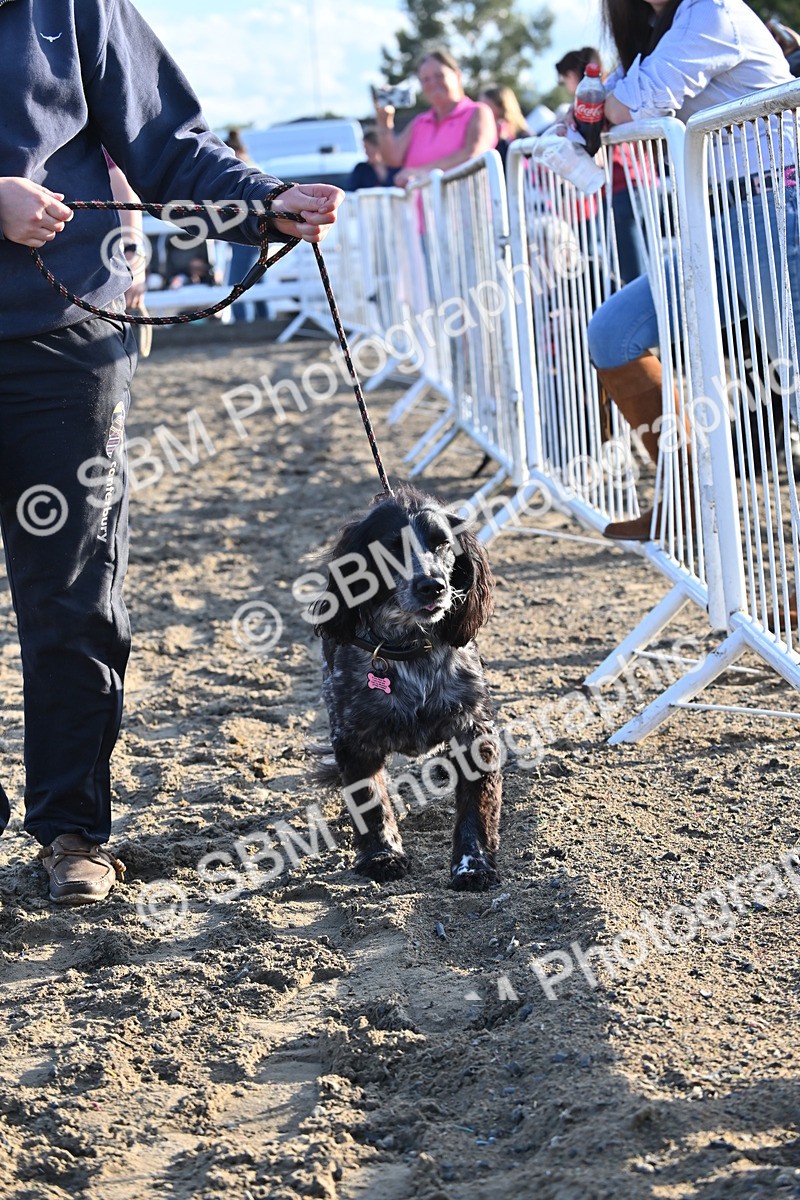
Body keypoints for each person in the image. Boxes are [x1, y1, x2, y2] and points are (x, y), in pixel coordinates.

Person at [0, 0, 342, 905]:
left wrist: (263, 204)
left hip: (64, 335)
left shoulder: (73, 8)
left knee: (72, 592)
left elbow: (168, 144)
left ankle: (72, 829)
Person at [586, 0, 797, 540]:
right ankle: (684, 497)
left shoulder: (714, 10)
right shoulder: (663, 29)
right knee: (613, 334)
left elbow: (628, 109)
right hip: (716, 220)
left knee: (794, 379)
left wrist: (600, 104)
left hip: (775, 205)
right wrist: (599, 103)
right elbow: (603, 104)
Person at [558, 47, 648, 285]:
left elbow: (594, 151)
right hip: (639, 183)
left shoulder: (596, 98)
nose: (564, 85)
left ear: (571, 75)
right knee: (646, 265)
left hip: (622, 186)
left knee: (634, 276)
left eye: (563, 79)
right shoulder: (613, 91)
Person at [374, 49, 497, 188]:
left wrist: (423, 172)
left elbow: (475, 153)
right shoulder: (419, 123)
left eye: (439, 76)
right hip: (422, 209)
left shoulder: (478, 112)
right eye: (425, 79)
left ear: (458, 76)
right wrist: (384, 123)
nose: (432, 83)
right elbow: (392, 159)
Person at [223, 131, 269, 322]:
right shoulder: (255, 169)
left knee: (238, 282)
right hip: (255, 230)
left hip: (246, 231)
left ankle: (241, 322)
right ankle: (263, 320)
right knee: (257, 279)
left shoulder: (243, 170)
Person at [479, 85, 531, 170]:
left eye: (485, 106)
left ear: (501, 107)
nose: (480, 110)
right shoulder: (484, 133)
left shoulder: (523, 135)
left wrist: (503, 141)